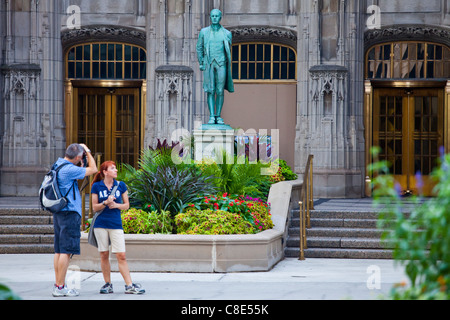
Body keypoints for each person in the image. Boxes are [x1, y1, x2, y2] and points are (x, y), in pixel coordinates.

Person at [91, 161, 145, 295]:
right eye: (112, 168)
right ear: (105, 172)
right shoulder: (97, 186)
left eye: (115, 168)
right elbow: (94, 207)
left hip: (115, 224)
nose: (116, 170)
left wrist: (116, 205)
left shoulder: (120, 185)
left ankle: (129, 285)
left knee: (121, 255)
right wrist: (105, 202)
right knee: (104, 254)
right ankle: (107, 284)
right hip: (100, 224)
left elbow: (126, 205)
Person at [52, 143, 98, 297]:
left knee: (59, 250)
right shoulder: (70, 169)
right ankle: (59, 287)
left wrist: (81, 158)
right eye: (81, 156)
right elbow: (94, 170)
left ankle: (58, 284)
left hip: (59, 212)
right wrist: (88, 151)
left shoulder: (58, 164)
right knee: (66, 251)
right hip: (69, 213)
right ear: (78, 157)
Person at [196, 8, 234, 125]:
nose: (214, 18)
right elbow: (199, 47)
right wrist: (201, 62)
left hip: (221, 63)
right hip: (209, 63)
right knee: (210, 90)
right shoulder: (204, 32)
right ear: (210, 17)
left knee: (220, 90)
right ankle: (212, 116)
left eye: (216, 16)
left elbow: (228, 49)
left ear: (220, 17)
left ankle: (218, 115)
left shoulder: (227, 33)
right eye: (212, 16)